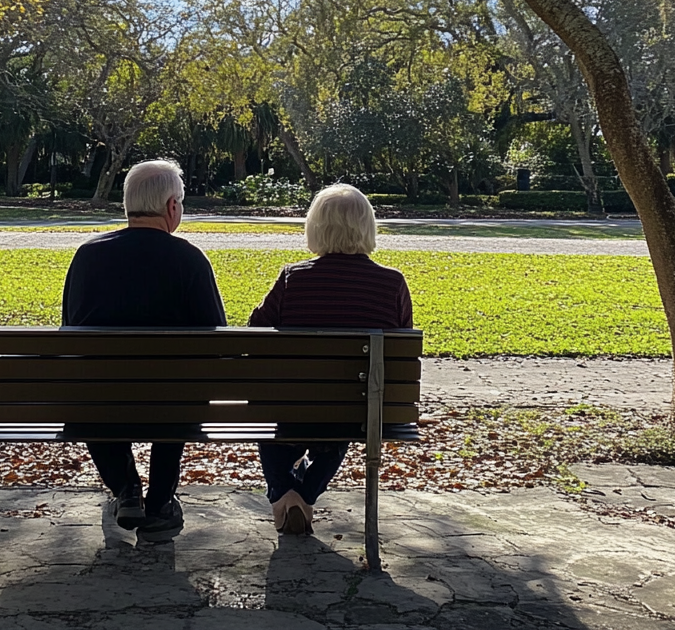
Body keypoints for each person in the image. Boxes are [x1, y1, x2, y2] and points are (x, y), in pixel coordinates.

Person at [62, 159, 226, 542]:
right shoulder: (189, 259)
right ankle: (161, 501)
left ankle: (125, 488)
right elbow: (217, 339)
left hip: (99, 403)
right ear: (172, 206)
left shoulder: (88, 256)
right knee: (180, 392)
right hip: (172, 402)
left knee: (94, 387)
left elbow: (72, 331)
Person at [248, 183, 413, 536]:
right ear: (367, 227)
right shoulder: (392, 283)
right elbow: (400, 350)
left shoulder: (294, 278)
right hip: (359, 408)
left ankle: (284, 494)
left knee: (271, 414)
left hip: (290, 405)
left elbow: (255, 329)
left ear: (315, 228)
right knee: (344, 414)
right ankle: (304, 495)